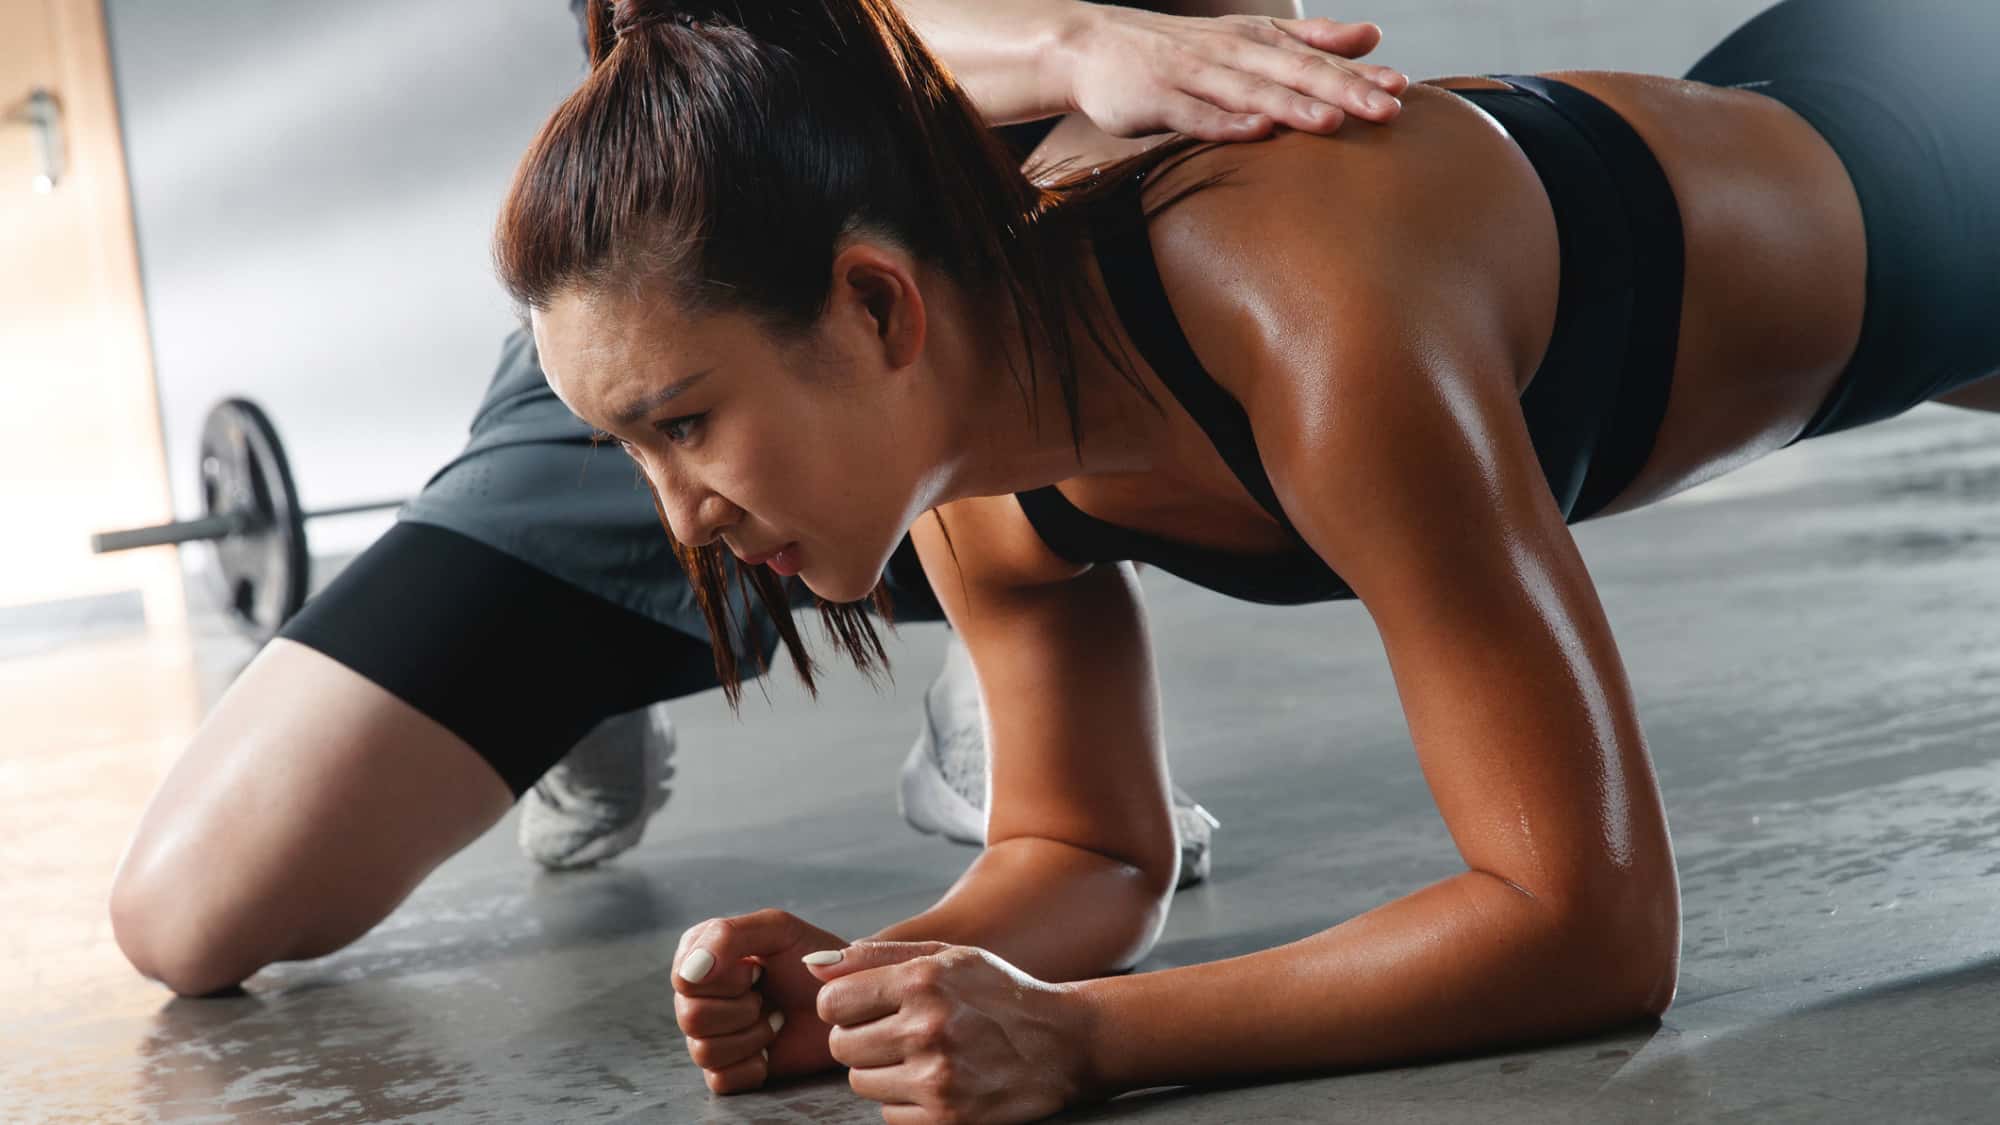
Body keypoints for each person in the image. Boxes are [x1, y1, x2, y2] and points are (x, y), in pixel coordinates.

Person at [503, 0, 1999, 1119]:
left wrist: (1087, 1039)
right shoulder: (964, 478)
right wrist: (872, 986)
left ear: (876, 307)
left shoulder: (1300, 307)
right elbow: (1087, 854)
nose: (680, 517)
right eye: (632, 449)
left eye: (685, 422)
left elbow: (1591, 928)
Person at [105, 0, 1406, 999]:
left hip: (983, 351)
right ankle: (583, 685)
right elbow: (691, 58)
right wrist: (1060, 43)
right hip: (700, 322)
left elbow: (1234, 58)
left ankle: (1000, 639)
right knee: (188, 914)